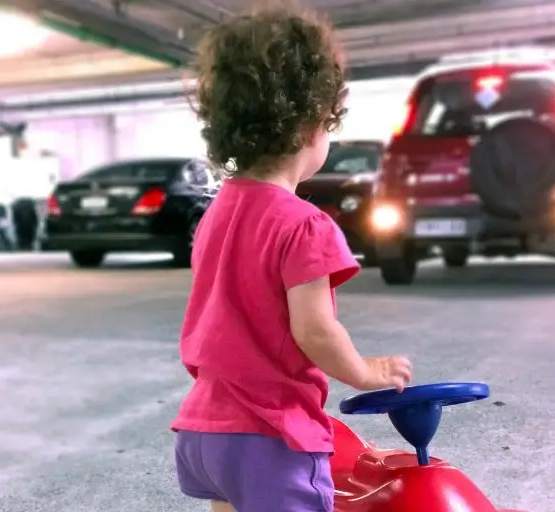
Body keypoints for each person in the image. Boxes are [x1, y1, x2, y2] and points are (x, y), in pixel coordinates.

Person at [170, 6, 413, 512]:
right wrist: (367, 374)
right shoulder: (305, 224)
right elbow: (315, 331)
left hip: (204, 432)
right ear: (310, 126)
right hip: (271, 435)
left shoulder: (217, 213)